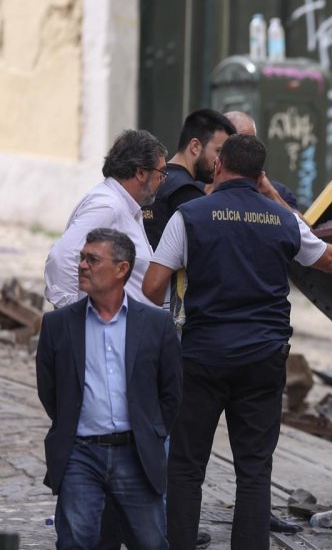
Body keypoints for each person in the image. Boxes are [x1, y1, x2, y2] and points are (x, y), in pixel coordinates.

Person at [141, 134, 332, 549]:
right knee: (254, 471)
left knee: (186, 467)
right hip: (263, 358)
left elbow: (152, 288)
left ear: (218, 166)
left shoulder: (189, 216)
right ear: (260, 175)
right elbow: (329, 258)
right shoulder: (284, 220)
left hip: (203, 357)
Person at [36, 228, 182, 550]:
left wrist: (152, 432)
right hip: (80, 454)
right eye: (82, 258)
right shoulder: (58, 325)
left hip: (136, 453)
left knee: (151, 542)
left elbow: (170, 392)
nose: (82, 266)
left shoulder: (156, 325)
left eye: (93, 259)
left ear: (122, 269)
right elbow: (50, 390)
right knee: (76, 540)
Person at [44, 130, 168, 309]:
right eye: (161, 173)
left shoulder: (128, 206)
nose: (163, 180)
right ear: (140, 173)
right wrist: (74, 320)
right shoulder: (109, 206)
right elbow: (62, 257)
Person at [143, 109, 236, 248]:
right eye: (219, 151)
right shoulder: (187, 192)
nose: (222, 161)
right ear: (195, 146)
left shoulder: (152, 180)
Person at [222, 110, 299, 210]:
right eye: (236, 142)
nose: (244, 148)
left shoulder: (277, 191)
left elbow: (301, 226)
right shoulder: (200, 189)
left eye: (250, 141)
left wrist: (272, 195)